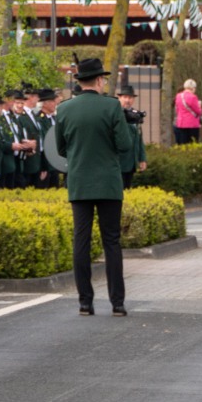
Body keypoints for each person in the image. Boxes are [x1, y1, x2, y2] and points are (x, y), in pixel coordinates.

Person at [55, 57, 135, 317]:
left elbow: (60, 148)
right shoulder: (111, 106)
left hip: (79, 181)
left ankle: (85, 302)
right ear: (100, 80)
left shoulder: (64, 109)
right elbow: (125, 145)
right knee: (111, 241)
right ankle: (117, 303)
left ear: (80, 81)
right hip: (108, 182)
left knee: (81, 240)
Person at [174, 79, 202, 145]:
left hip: (181, 123)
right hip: (192, 124)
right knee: (193, 144)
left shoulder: (178, 96)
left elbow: (177, 109)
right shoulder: (193, 97)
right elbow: (198, 112)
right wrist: (200, 107)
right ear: (193, 88)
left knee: (183, 144)